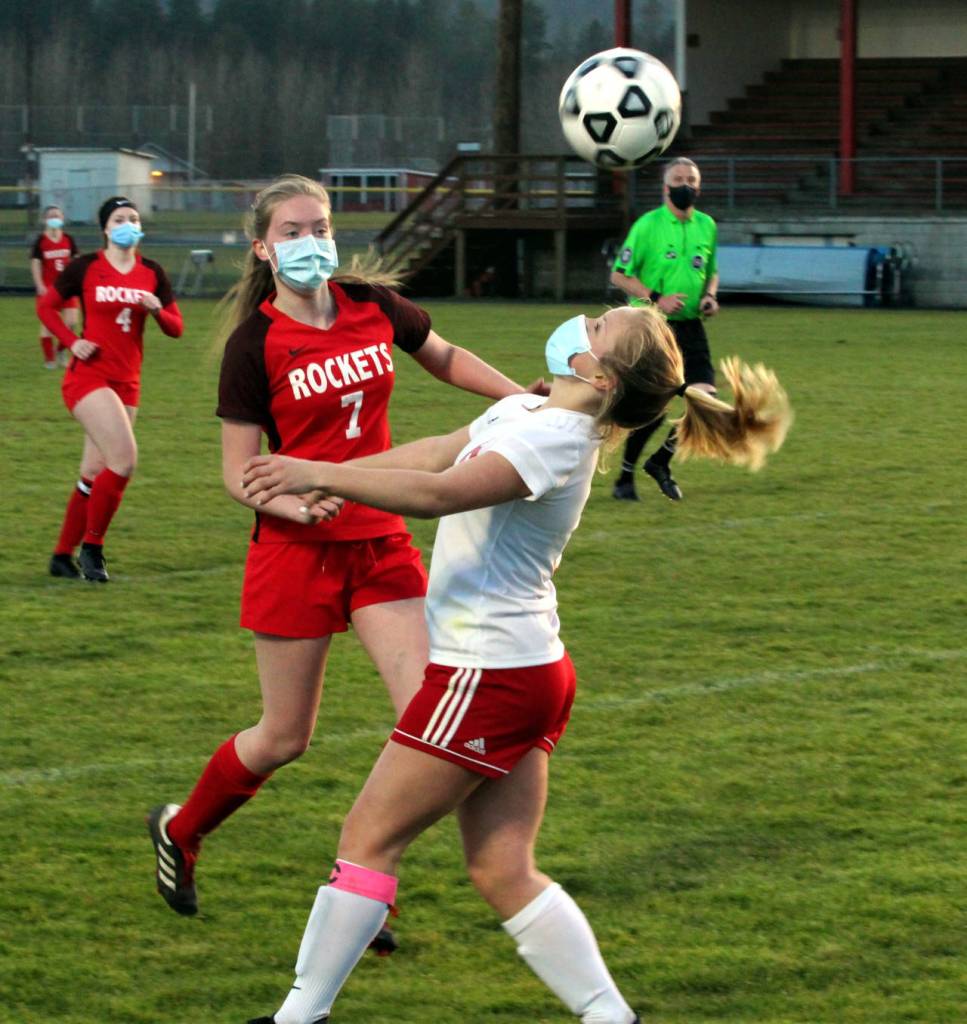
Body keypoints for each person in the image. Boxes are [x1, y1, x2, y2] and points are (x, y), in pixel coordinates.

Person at [236, 304, 792, 1024]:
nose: (581, 320)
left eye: (596, 327)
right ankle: (609, 1017)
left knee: (368, 838)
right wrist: (323, 479)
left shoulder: (557, 440)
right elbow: (437, 451)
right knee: (502, 869)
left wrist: (314, 471)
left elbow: (439, 496)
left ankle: (296, 1020)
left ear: (597, 373)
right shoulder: (527, 409)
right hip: (528, 670)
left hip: (487, 674)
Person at [146, 174, 547, 930]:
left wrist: (516, 402)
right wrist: (295, 502)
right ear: (263, 248)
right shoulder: (254, 343)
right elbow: (237, 475)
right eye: (292, 232)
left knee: (430, 722)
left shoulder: (370, 306)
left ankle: (360, 883)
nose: (310, 242)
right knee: (283, 736)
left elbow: (444, 352)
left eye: (319, 227)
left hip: (378, 543)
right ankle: (181, 829)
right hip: (293, 554)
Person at [38, 196, 184, 582]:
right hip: (88, 377)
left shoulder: (152, 272)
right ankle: (93, 550)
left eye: (134, 218)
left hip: (128, 381)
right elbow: (46, 308)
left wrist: (157, 309)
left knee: (93, 470)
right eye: (120, 219)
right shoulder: (86, 266)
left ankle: (60, 556)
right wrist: (72, 341)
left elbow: (176, 328)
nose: (128, 224)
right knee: (124, 459)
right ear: (105, 228)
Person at [610, 157, 720, 502]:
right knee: (653, 410)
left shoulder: (707, 225)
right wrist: (656, 298)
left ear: (698, 188)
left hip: (691, 326)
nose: (685, 184)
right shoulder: (647, 225)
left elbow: (711, 271)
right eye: (679, 178)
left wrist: (710, 297)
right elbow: (619, 274)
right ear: (666, 187)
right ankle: (625, 477)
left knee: (707, 403)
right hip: (654, 329)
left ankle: (661, 460)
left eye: (691, 179)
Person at [30, 205, 79, 369]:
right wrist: (39, 285)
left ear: (63, 219)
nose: (55, 218)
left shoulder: (68, 239)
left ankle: (60, 351)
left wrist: (76, 281)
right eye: (51, 216)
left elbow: (75, 261)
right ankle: (49, 359)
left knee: (71, 323)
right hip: (49, 289)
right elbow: (36, 263)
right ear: (45, 219)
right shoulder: (40, 241)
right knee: (49, 325)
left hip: (67, 287)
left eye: (57, 215)